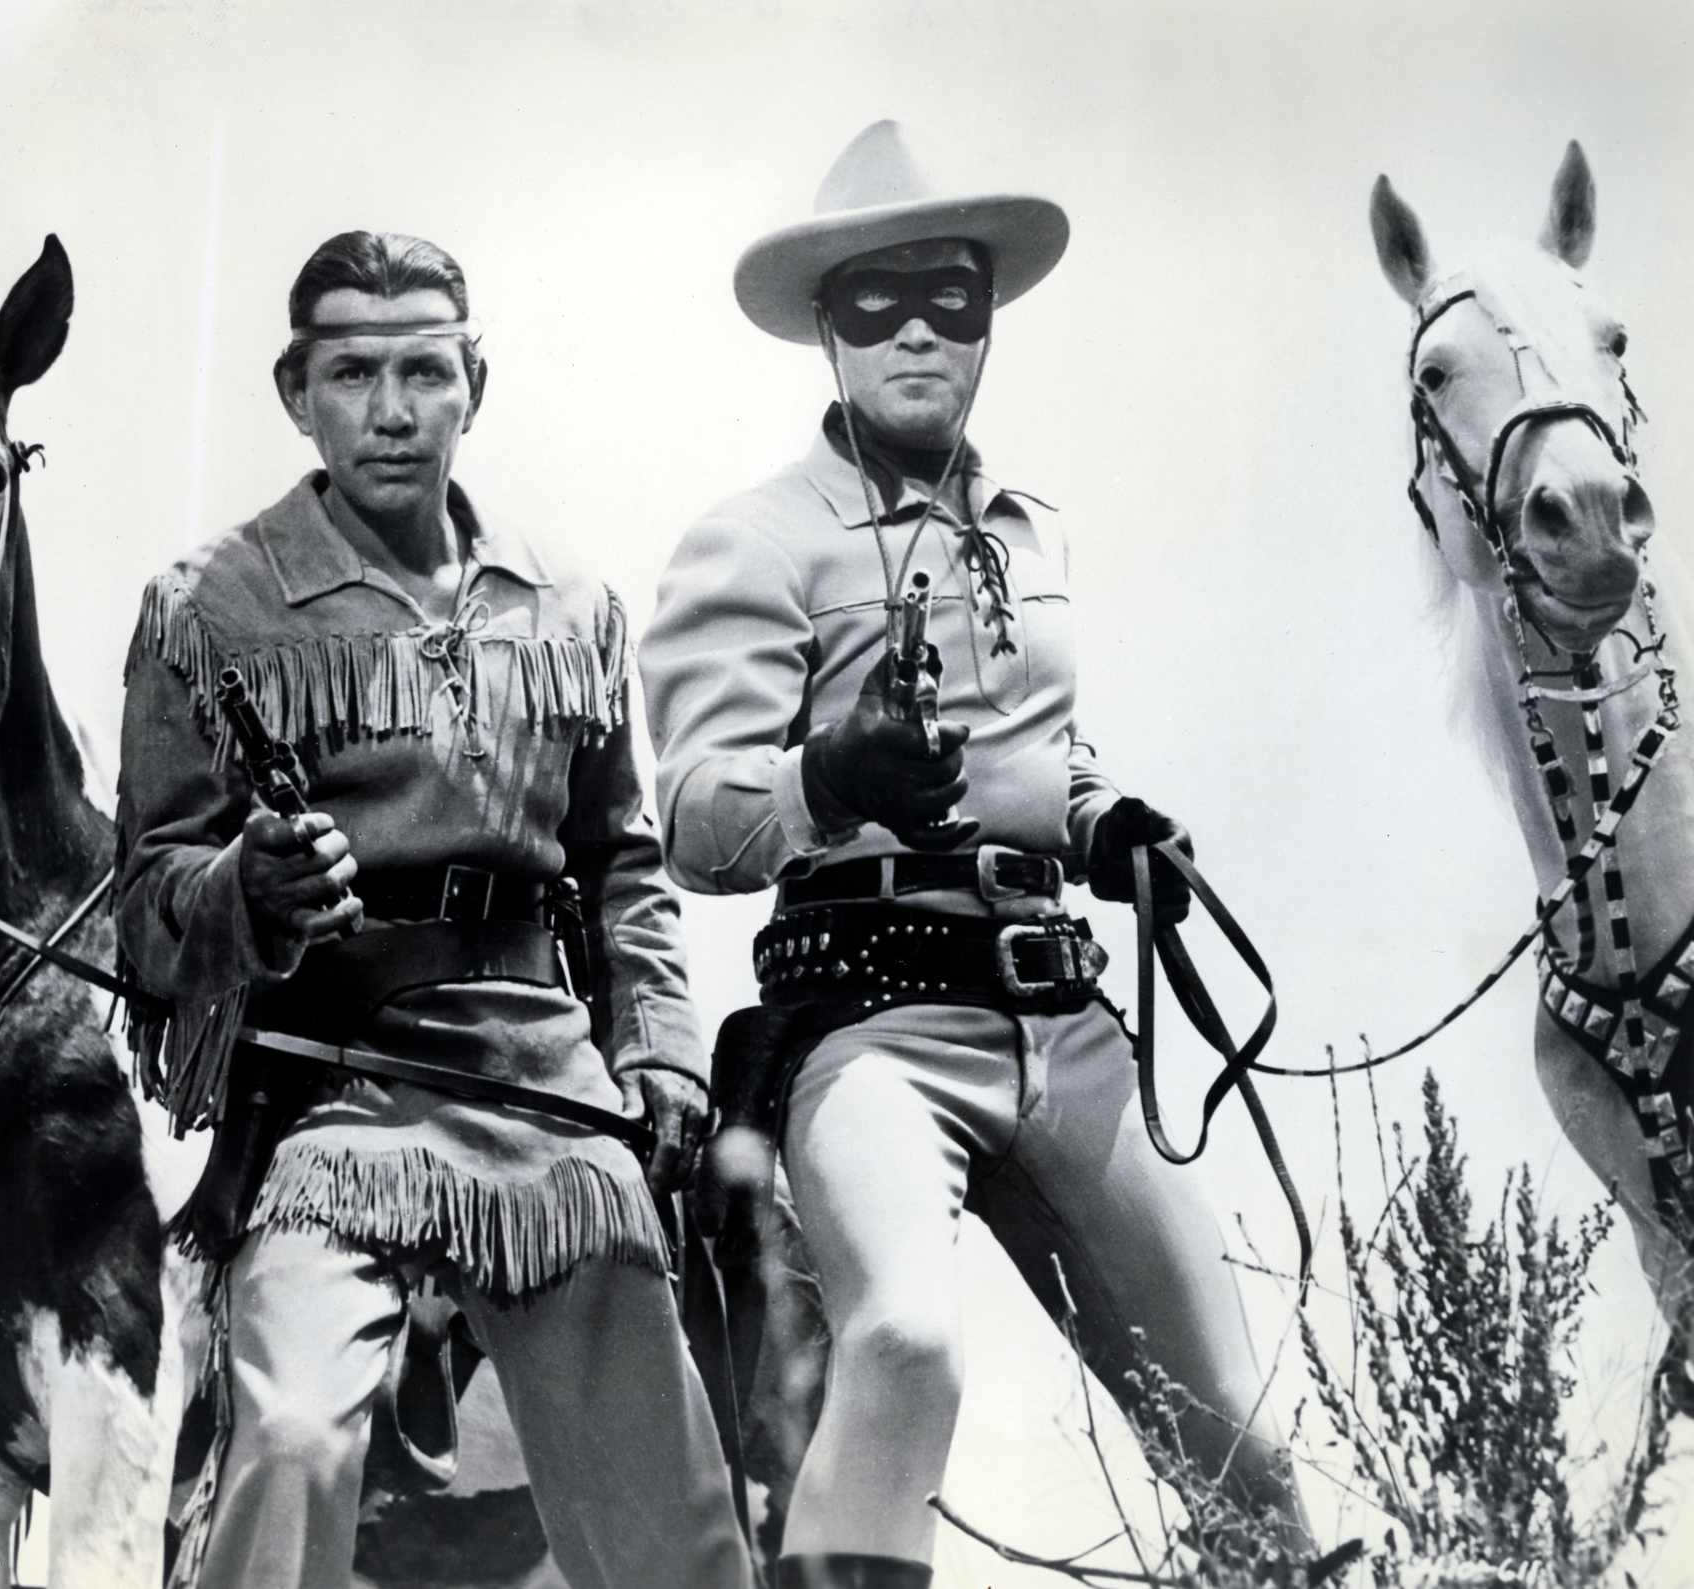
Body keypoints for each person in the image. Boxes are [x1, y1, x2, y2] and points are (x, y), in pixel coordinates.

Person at [640, 121, 1310, 1588]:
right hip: (871, 1022)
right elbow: (691, 817)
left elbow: (1039, 752)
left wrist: (1104, 819)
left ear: (989, 320)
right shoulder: (752, 543)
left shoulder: (1034, 532)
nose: (919, 333)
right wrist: (831, 772)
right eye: (876, 301)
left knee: (1242, 1425)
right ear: (828, 326)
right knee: (906, 1343)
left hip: (1063, 1025)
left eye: (951, 296)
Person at [116, 228, 752, 1589]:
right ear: (297, 391)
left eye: (423, 371)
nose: (391, 410)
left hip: (547, 1092)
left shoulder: (570, 604)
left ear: (476, 383)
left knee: (679, 1521)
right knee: (285, 1437)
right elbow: (147, 896)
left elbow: (623, 858)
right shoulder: (207, 607)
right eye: (353, 372)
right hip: (330, 1100)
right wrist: (243, 888)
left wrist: (661, 1047)